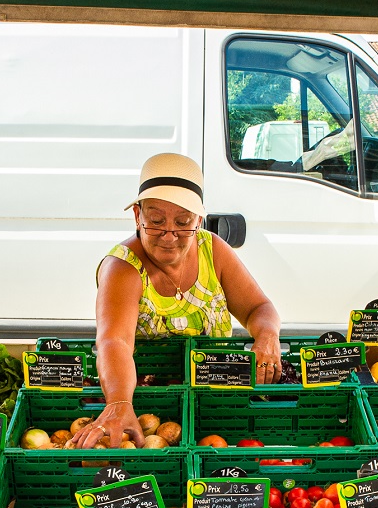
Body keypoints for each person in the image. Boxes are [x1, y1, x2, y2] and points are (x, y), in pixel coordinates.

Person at [72, 153, 281, 449]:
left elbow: (258, 308)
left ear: (199, 219)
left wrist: (267, 335)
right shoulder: (122, 268)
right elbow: (114, 341)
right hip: (149, 411)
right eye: (156, 221)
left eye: (183, 222)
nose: (169, 236)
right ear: (137, 215)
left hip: (217, 399)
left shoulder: (213, 250)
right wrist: (119, 402)